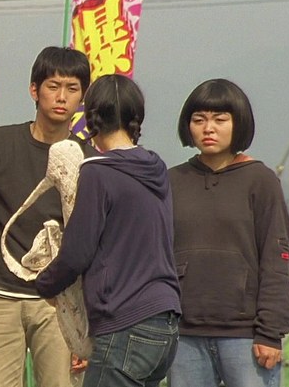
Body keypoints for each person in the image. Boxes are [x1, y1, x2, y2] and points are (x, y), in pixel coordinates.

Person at [0, 46, 97, 387]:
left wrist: (87, 321)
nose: (61, 97)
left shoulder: (88, 158)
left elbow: (93, 240)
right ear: (34, 90)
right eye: (53, 86)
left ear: (82, 97)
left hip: (60, 301)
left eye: (72, 88)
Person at [35, 74, 181, 387]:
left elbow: (77, 252)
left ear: (92, 119)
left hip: (125, 321)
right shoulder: (156, 168)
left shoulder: (97, 171)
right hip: (165, 321)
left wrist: (44, 284)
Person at [167, 79, 289, 387]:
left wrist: (270, 332)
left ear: (239, 123)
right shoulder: (172, 181)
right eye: (199, 120)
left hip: (246, 336)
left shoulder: (261, 181)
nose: (208, 128)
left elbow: (276, 259)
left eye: (220, 119)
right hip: (184, 335)